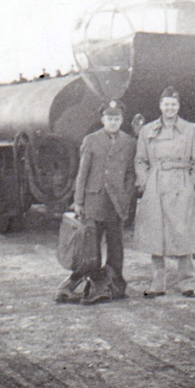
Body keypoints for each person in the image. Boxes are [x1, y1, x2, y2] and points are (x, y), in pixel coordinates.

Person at [56, 100, 136, 305]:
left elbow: (129, 174)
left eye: (117, 118)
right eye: (109, 118)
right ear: (102, 120)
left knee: (116, 246)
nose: (113, 122)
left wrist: (126, 196)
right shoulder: (91, 140)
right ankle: (81, 286)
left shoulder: (129, 143)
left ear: (121, 120)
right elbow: (82, 174)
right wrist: (79, 201)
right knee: (89, 249)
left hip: (115, 203)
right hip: (94, 201)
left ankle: (116, 285)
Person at [134, 86, 195, 297]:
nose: (170, 108)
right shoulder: (147, 130)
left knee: (183, 233)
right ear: (160, 106)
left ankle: (188, 282)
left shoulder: (190, 130)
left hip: (181, 183)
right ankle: (158, 282)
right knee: (156, 235)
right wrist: (146, 183)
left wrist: (192, 185)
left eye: (173, 104)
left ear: (179, 106)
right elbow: (140, 160)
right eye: (166, 104)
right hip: (156, 184)